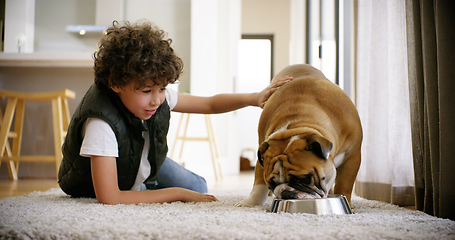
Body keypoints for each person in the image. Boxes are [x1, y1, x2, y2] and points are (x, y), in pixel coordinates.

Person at [58, 20, 293, 205]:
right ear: (116, 83)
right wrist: (176, 194)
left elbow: (209, 104)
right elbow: (110, 198)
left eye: (162, 88)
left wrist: (254, 98)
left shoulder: (156, 96)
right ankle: (145, 188)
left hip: (141, 159)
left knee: (198, 188)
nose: (157, 99)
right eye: (147, 90)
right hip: (92, 181)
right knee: (183, 192)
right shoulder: (101, 123)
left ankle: (144, 185)